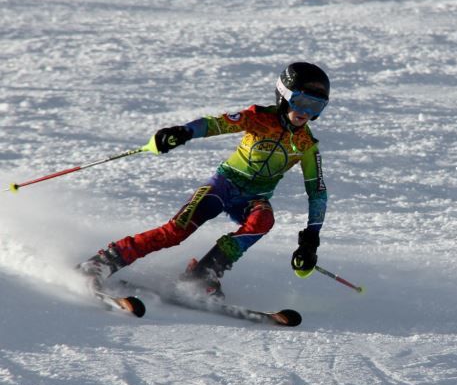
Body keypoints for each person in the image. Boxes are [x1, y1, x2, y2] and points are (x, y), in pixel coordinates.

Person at [77, 62, 331, 299]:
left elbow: (317, 192)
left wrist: (310, 240)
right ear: (284, 95)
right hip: (222, 185)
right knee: (176, 232)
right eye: (300, 102)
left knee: (263, 220)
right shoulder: (258, 117)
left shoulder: (307, 145)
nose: (305, 112)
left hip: (254, 198)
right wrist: (184, 132)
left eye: (315, 106)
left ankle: (203, 275)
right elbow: (215, 125)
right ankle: (103, 262)